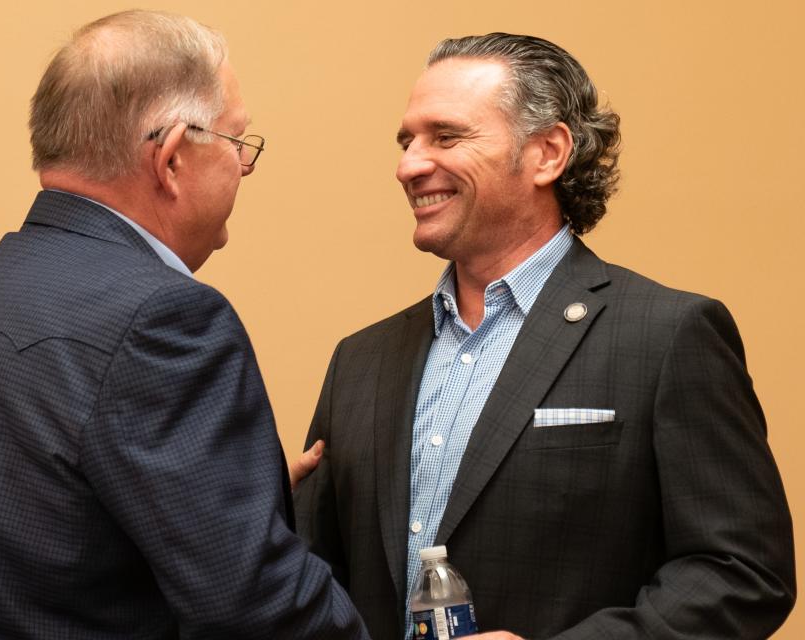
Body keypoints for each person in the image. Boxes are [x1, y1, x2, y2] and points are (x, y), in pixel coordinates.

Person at [294, 33, 795, 640]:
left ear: (548, 153)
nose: (408, 165)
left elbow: (741, 572)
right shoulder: (361, 360)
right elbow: (313, 578)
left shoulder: (667, 336)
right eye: (407, 141)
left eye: (446, 136)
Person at [0, 10, 366, 639]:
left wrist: (241, 496)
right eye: (238, 143)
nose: (244, 169)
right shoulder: (165, 320)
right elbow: (255, 610)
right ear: (171, 160)